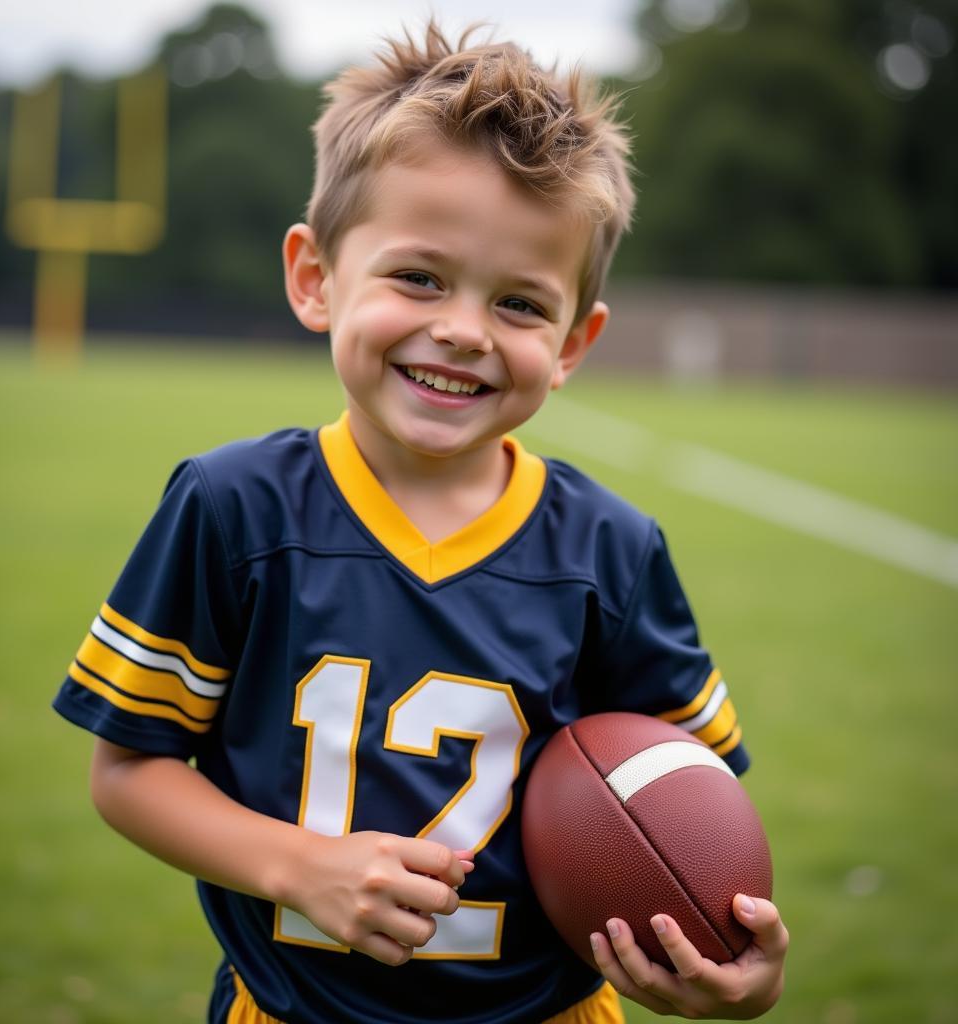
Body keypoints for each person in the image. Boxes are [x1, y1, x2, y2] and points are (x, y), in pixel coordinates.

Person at [53, 22, 788, 1024]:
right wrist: (300, 864)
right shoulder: (235, 508)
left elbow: (681, 802)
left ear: (574, 340)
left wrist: (728, 958)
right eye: (419, 277)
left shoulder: (609, 551)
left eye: (521, 303)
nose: (462, 330)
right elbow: (128, 768)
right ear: (315, 276)